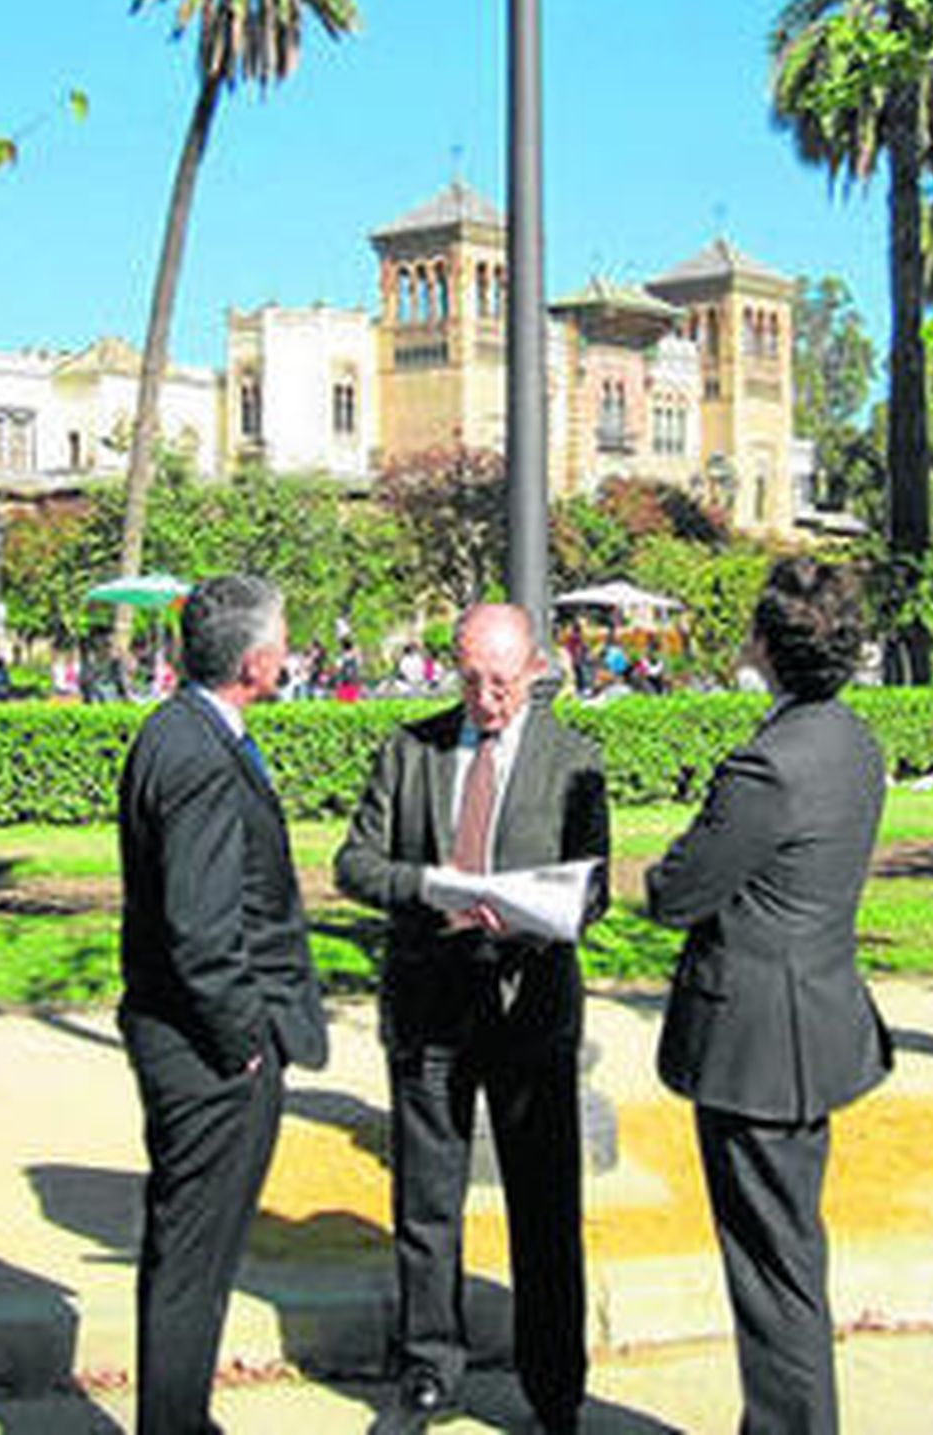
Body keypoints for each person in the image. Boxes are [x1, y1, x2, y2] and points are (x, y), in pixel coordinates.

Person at [335, 602, 609, 1435]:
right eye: (471, 681)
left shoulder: (573, 758)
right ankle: (428, 1371)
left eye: (502, 683)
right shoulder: (410, 749)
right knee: (427, 1202)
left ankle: (554, 1387)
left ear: (535, 670)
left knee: (545, 1207)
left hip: (529, 1008)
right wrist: (428, 887)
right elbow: (354, 862)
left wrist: (540, 911)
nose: (487, 699)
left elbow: (594, 886)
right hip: (431, 1004)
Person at [646, 555, 894, 1435]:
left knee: (771, 1266)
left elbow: (677, 890)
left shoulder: (768, 765)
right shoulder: (853, 740)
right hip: (814, 1024)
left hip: (758, 1046)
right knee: (788, 1251)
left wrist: (665, 868)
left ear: (765, 642)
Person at [117, 572, 328, 1435]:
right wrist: (245, 1041)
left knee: (190, 1254)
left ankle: (181, 1416)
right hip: (208, 1051)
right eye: (281, 639)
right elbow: (201, 930)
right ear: (254, 662)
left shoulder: (181, 729)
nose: (288, 651)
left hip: (191, 1035)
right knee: (193, 1259)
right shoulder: (197, 753)